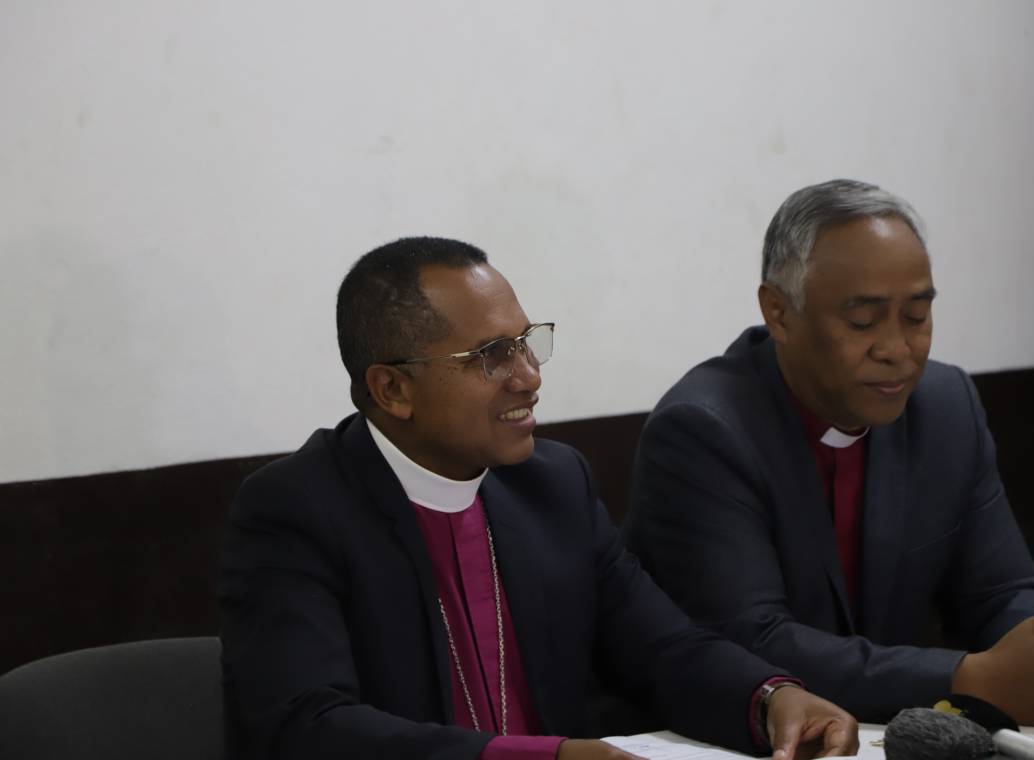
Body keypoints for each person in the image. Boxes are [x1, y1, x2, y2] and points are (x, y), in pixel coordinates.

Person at [219, 237, 858, 760]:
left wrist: (769, 698)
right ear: (393, 390)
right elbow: (309, 726)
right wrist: (546, 758)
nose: (529, 376)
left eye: (527, 342)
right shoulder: (296, 511)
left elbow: (661, 646)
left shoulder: (552, 484)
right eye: (493, 356)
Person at [624, 179, 1034, 727]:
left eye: (916, 316)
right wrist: (968, 679)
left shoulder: (945, 406)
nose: (896, 349)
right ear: (779, 312)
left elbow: (999, 590)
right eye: (862, 321)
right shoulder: (703, 431)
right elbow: (750, 643)